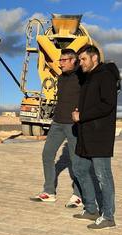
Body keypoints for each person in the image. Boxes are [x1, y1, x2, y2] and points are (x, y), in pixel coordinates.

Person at [71, 44, 118, 229]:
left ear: (94, 58)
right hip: (86, 134)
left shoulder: (105, 75)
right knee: (80, 169)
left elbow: (108, 104)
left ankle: (108, 216)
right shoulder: (89, 77)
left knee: (103, 175)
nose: (80, 63)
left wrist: (82, 115)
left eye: (83, 59)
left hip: (100, 135)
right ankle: (91, 210)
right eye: (79, 59)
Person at [30, 49, 83, 207]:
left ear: (73, 61)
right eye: (60, 60)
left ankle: (78, 195)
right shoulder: (60, 78)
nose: (60, 63)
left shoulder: (82, 77)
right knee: (47, 154)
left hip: (74, 125)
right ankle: (49, 192)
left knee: (76, 161)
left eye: (64, 60)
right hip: (57, 123)